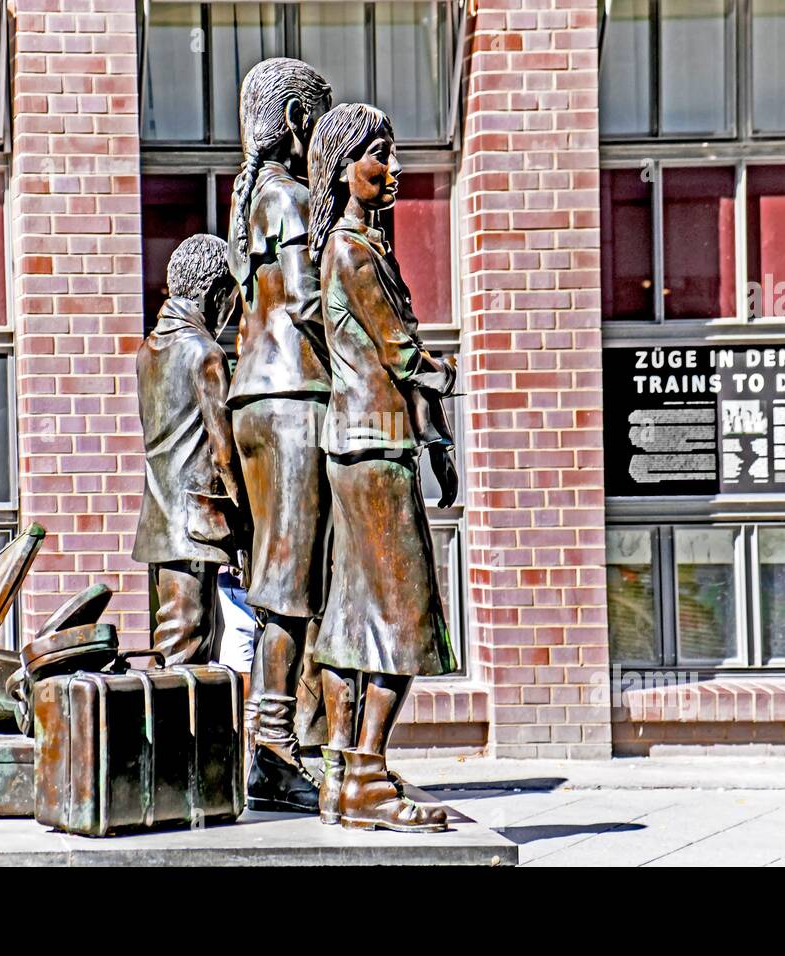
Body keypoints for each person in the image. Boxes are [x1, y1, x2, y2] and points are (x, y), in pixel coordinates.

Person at [306, 103, 459, 832]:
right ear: (342, 167)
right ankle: (363, 771)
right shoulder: (354, 252)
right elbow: (402, 353)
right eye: (377, 155)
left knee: (353, 611)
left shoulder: (358, 245)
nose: (392, 169)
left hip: (361, 444)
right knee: (400, 613)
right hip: (373, 445)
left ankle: (346, 770)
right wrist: (447, 372)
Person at [226, 57, 334, 815]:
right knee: (289, 590)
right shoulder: (289, 198)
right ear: (297, 121)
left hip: (261, 398)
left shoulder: (254, 201)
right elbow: (307, 299)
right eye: (319, 121)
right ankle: (271, 753)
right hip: (293, 397)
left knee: (284, 585)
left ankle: (289, 741)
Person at [132, 234, 245, 666]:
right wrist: (248, 522)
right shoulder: (205, 354)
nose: (230, 311)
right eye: (231, 300)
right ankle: (180, 735)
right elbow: (225, 453)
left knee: (172, 640)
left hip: (159, 522)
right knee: (187, 650)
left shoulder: (148, 351)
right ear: (215, 293)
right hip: (196, 526)